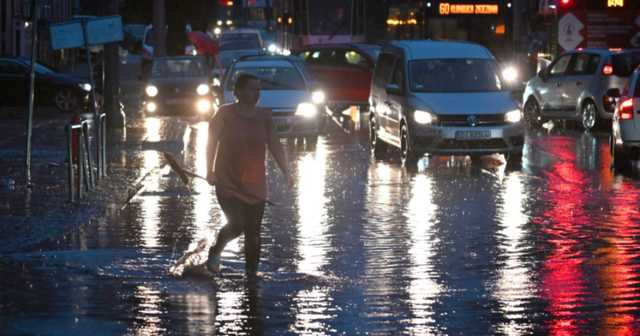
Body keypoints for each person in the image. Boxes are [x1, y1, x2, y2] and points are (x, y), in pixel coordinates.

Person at [205, 72, 291, 275]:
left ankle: (251, 274)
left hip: (255, 183)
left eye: (259, 89)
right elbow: (211, 143)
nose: (257, 93)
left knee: (253, 232)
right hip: (227, 181)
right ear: (239, 92)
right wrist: (210, 170)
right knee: (237, 225)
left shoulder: (264, 116)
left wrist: (287, 171)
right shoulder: (224, 114)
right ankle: (216, 251)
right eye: (252, 89)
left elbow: (275, 145)